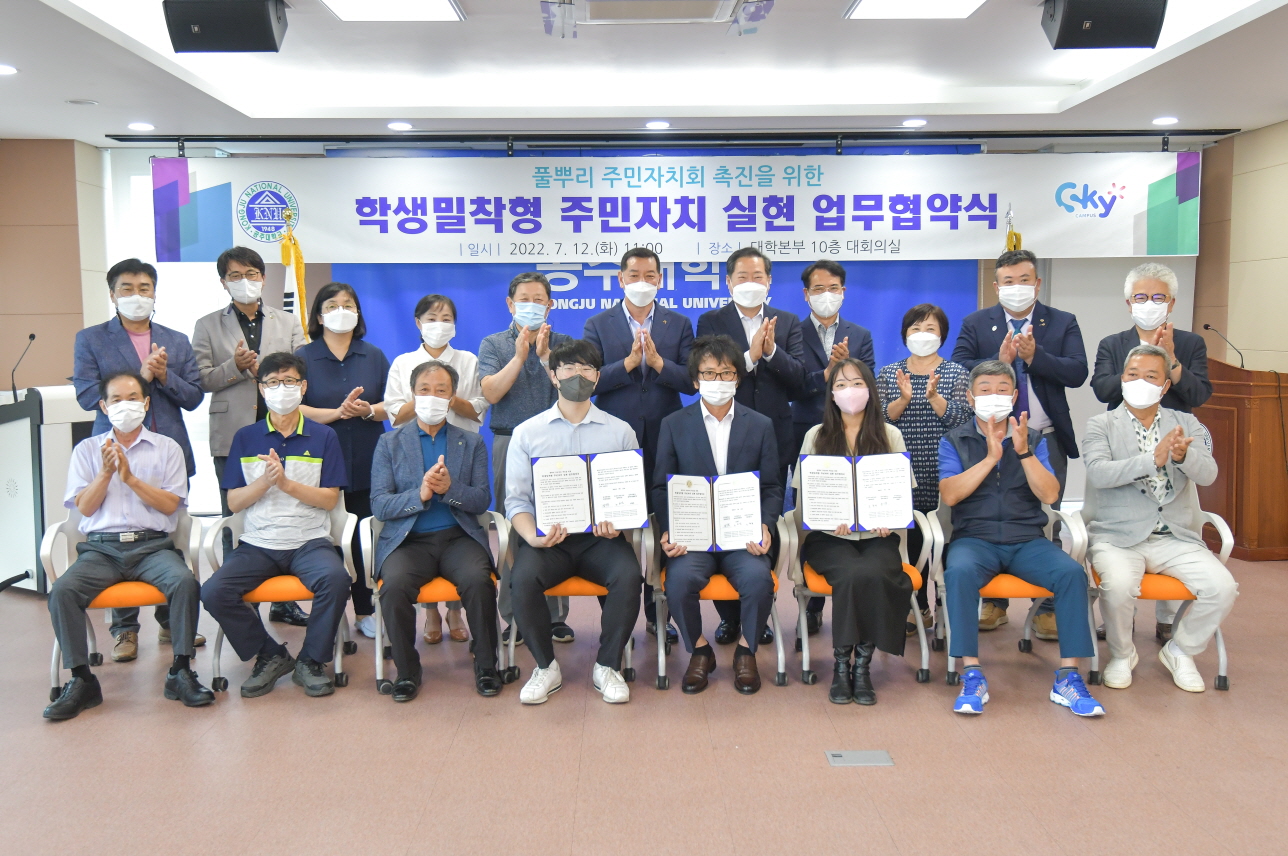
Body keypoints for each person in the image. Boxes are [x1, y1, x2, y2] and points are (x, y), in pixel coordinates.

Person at [43, 371, 213, 720]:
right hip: (101, 549)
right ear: (104, 406)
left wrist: (130, 479)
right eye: (116, 400)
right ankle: (81, 680)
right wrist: (105, 474)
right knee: (62, 591)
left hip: (152, 547)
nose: (125, 406)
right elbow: (84, 508)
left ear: (146, 403)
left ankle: (180, 671)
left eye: (133, 398)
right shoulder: (87, 450)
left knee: (184, 581)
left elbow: (171, 505)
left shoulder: (167, 448)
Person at [938, 360, 1103, 717]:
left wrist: (1023, 451)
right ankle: (971, 673)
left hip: (1027, 538)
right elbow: (950, 495)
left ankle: (1069, 677)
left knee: (1071, 573)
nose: (993, 396)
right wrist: (989, 459)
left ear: (1014, 397)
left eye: (1002, 390)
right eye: (985, 390)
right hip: (974, 539)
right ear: (970, 397)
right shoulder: (954, 440)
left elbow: (1049, 494)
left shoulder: (1034, 439)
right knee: (959, 572)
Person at [72, 258, 205, 663]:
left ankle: (171, 621)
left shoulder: (175, 340)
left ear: (154, 293)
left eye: (144, 288)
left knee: (163, 536)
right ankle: (125, 630)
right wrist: (141, 376)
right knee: (119, 529)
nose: (136, 295)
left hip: (167, 452)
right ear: (112, 295)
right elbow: (86, 395)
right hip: (114, 451)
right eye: (127, 288)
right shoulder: (91, 339)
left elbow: (194, 396)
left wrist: (163, 376)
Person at [951, 248, 1088, 641]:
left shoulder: (1061, 321)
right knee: (989, 515)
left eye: (1024, 280)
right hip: (990, 434)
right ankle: (994, 603)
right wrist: (998, 359)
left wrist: (1035, 356)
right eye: (1008, 281)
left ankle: (1047, 609)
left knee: (1047, 515)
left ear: (1037, 283)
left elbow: (1078, 372)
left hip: (1044, 435)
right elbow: (959, 366)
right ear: (996, 287)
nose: (1016, 287)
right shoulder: (977, 322)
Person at [1083, 344, 1236, 692]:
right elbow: (1099, 473)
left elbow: (1209, 475)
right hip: (1118, 535)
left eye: (1151, 376)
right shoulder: (1101, 424)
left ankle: (1180, 651)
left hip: (1175, 536)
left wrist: (1182, 457)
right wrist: (1153, 459)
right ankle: (1122, 655)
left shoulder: (1185, 422)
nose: (1140, 381)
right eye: (1133, 374)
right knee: (1118, 586)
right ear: (1122, 379)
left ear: (1165, 386)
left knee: (1222, 587)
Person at [199, 353, 351, 699]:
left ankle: (311, 661)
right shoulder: (246, 437)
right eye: (273, 382)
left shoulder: (324, 436)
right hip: (258, 543)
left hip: (309, 540)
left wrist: (285, 484)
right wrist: (264, 483)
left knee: (336, 579)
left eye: (290, 381)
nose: (282, 388)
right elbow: (234, 503)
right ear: (261, 389)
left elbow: (329, 500)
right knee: (213, 591)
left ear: (303, 387)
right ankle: (270, 655)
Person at [504, 340, 643, 705]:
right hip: (549, 539)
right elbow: (516, 500)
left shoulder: (620, 432)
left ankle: (608, 666)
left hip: (601, 539)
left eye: (586, 369)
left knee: (629, 576)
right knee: (523, 578)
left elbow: (630, 495)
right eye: (569, 368)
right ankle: (545, 667)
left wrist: (620, 524)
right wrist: (532, 537)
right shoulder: (528, 433)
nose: (577, 375)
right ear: (553, 376)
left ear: (597, 378)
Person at [1090, 263, 1213, 644]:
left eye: (1158, 297)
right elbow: (1102, 388)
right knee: (1128, 522)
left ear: (1171, 302)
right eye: (1141, 297)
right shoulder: (1113, 344)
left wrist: (1170, 362)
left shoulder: (1190, 343)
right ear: (1129, 302)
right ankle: (1120, 617)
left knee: (1170, 521)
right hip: (1126, 440)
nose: (1149, 303)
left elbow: (1199, 394)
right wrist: (1139, 373)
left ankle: (1167, 617)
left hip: (1175, 440)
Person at [653, 335, 781, 695]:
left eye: (726, 373)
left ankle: (746, 650)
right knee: (678, 582)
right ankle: (699, 650)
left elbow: (772, 487)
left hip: (743, 537)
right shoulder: (674, 424)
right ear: (695, 381)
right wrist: (669, 530)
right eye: (709, 373)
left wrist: (766, 525)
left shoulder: (760, 425)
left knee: (758, 580)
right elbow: (661, 487)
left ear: (738, 378)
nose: (718, 381)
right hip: (693, 538)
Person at [193, 246, 311, 630]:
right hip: (233, 434)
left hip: (283, 427)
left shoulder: (287, 320)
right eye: (235, 275)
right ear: (223, 282)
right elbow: (201, 379)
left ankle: (284, 603)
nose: (244, 281)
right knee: (236, 517)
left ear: (263, 278)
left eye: (251, 274)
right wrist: (235, 366)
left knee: (284, 511)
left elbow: (302, 368)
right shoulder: (207, 325)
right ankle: (239, 601)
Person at [370, 360, 502, 701]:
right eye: (424, 390)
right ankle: (407, 671)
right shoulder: (389, 443)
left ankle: (487, 666)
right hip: (408, 540)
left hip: (459, 537)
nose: (432, 396)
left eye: (441, 390)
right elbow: (380, 505)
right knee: (394, 587)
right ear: (413, 394)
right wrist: (421, 495)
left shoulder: (471, 442)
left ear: (452, 396)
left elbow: (481, 500)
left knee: (478, 581)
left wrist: (449, 489)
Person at [584, 247, 694, 644]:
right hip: (614, 438)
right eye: (634, 275)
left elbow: (691, 381)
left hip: (666, 436)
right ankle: (616, 617)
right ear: (621, 279)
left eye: (650, 275)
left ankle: (657, 612)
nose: (642, 282)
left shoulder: (678, 323)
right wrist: (629, 364)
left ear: (660, 280)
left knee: (664, 522)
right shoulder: (598, 324)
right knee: (614, 525)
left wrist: (659, 364)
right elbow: (589, 380)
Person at [697, 246, 805, 647]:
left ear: (769, 281)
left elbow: (799, 379)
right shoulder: (712, 321)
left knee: (765, 518)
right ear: (729, 282)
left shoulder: (788, 321)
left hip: (774, 433)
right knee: (725, 517)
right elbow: (707, 374)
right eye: (742, 276)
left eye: (758, 276)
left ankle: (758, 613)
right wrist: (748, 356)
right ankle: (729, 617)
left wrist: (771, 352)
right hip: (724, 431)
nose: (750, 283)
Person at [797, 358, 915, 705]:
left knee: (874, 572)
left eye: (858, 383)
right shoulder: (816, 436)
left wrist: (889, 517)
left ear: (870, 390)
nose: (850, 391)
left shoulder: (890, 435)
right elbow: (804, 499)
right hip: (829, 538)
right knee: (851, 573)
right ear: (831, 394)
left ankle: (861, 666)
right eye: (841, 385)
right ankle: (841, 665)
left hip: (879, 535)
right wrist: (826, 517)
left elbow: (902, 494)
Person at [383, 294, 487, 645]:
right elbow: (395, 413)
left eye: (446, 318)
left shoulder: (468, 360)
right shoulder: (403, 363)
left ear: (455, 324)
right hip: (415, 450)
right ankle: (430, 612)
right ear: (418, 323)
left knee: (458, 527)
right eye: (431, 317)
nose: (438, 324)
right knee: (422, 520)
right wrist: (425, 398)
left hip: (459, 449)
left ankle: (455, 610)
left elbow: (478, 408)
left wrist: (446, 395)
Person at [478, 272, 574, 643]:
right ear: (510, 304)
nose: (531, 305)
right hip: (509, 441)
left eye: (539, 300)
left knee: (557, 527)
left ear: (550, 306)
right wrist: (519, 356)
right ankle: (514, 615)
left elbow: (572, 391)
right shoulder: (493, 343)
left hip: (557, 445)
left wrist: (547, 357)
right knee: (512, 529)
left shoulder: (563, 343)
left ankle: (555, 616)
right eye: (524, 299)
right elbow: (492, 393)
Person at [296, 282, 390, 641]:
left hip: (367, 456)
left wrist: (367, 410)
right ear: (319, 316)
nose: (341, 311)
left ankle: (365, 610)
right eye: (332, 305)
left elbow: (393, 404)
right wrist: (336, 413)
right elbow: (293, 407)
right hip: (318, 460)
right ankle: (330, 613)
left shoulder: (373, 355)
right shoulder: (304, 356)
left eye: (348, 304)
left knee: (365, 537)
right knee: (326, 538)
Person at [875, 304, 971, 635]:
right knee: (910, 541)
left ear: (942, 335)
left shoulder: (956, 373)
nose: (922, 335)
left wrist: (934, 398)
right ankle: (918, 607)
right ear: (904, 335)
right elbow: (878, 421)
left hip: (945, 470)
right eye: (915, 329)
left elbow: (964, 420)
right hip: (901, 472)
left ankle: (946, 606)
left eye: (930, 329)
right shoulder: (890, 373)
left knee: (945, 541)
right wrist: (903, 399)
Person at [791, 259, 875, 635]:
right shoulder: (793, 332)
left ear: (844, 291)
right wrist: (828, 372)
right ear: (806, 294)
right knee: (813, 515)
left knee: (850, 510)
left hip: (854, 435)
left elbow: (866, 381)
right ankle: (811, 605)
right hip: (807, 433)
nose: (827, 295)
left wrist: (848, 375)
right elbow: (792, 385)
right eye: (819, 289)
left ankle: (848, 598)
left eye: (834, 288)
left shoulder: (860, 334)